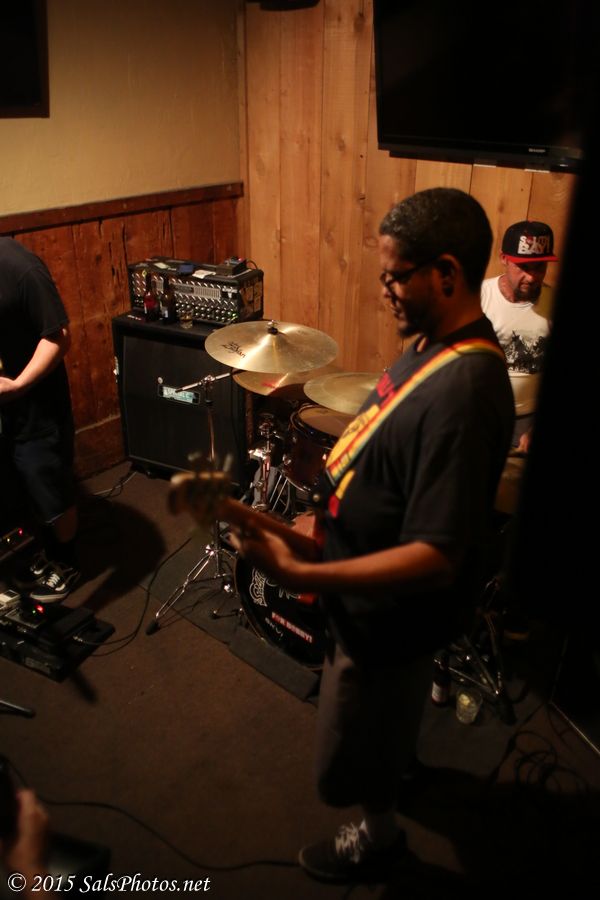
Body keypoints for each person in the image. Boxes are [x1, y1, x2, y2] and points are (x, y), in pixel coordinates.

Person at [229, 188, 514, 883]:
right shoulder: (430, 347)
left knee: (348, 752)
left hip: (391, 616)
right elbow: (390, 464)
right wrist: (307, 521)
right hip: (365, 589)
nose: (384, 290)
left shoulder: (464, 390)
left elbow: (436, 554)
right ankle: (397, 764)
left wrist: (306, 574)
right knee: (384, 726)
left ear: (445, 274)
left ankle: (381, 838)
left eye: (395, 276)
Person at [0, 238, 79, 602]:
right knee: (19, 486)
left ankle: (67, 562)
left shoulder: (23, 270)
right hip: (7, 408)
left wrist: (19, 384)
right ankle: (42, 552)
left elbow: (59, 337)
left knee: (50, 484)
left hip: (37, 404)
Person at [481, 221, 558, 453]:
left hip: (529, 418)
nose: (532, 277)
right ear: (504, 259)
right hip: (479, 413)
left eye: (539, 267)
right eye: (523, 267)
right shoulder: (478, 298)